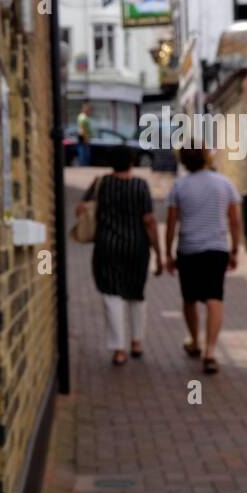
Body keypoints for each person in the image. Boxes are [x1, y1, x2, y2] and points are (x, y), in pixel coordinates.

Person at [77, 145, 164, 366]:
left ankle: (118, 350)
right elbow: (149, 221)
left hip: (107, 247)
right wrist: (160, 253)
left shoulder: (102, 184)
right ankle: (136, 342)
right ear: (132, 162)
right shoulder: (140, 186)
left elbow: (80, 209)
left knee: (111, 295)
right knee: (136, 294)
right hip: (137, 248)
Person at [165, 146, 242, 374]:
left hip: (188, 250)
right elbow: (235, 220)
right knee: (214, 297)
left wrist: (167, 253)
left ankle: (194, 342)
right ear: (206, 158)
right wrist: (235, 249)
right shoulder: (224, 183)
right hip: (216, 250)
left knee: (189, 298)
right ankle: (210, 352)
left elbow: (171, 223)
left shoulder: (179, 186)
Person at [76, 102, 94, 167]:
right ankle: (83, 166)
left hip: (84, 137)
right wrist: (85, 138)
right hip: (83, 138)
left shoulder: (84, 117)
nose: (89, 111)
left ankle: (84, 165)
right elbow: (82, 129)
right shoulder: (83, 117)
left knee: (84, 153)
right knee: (84, 154)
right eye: (88, 110)